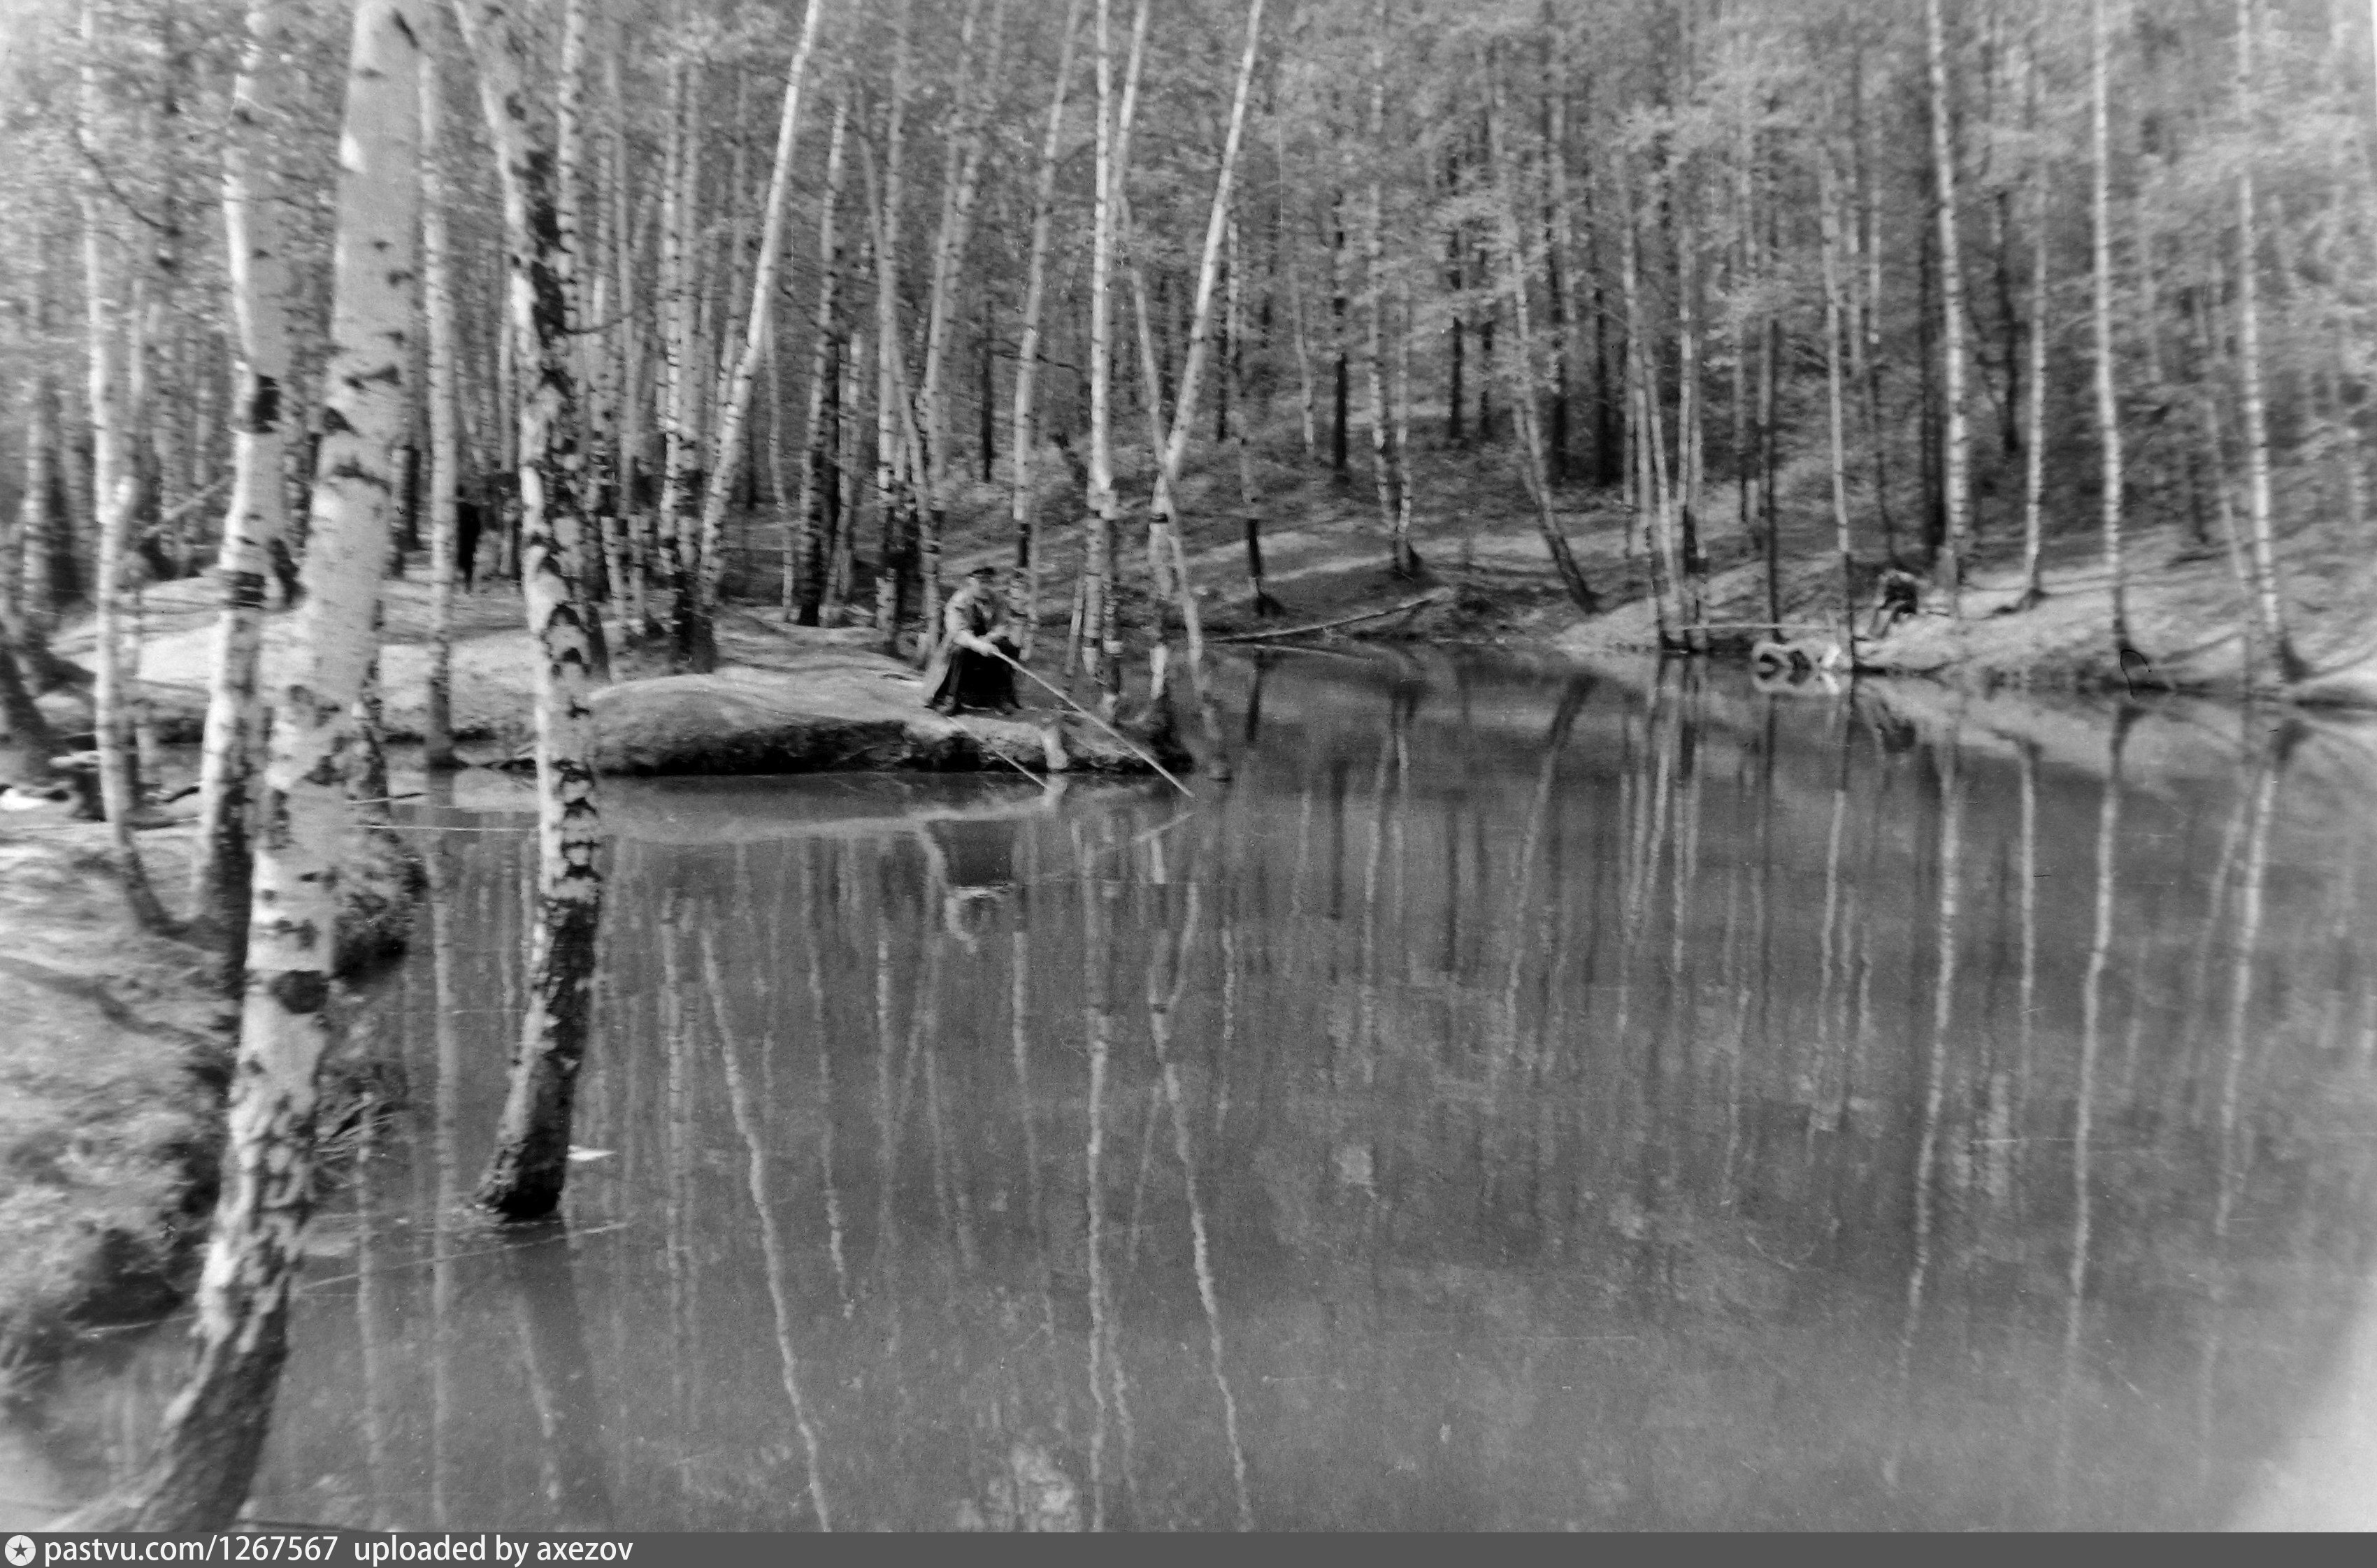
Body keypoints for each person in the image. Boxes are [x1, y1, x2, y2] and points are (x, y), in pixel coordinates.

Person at [921, 565, 1021, 715]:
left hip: (986, 651)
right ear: (970, 581)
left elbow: (1003, 625)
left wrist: (989, 639)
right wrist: (978, 644)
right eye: (981, 581)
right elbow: (957, 632)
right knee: (959, 650)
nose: (985, 586)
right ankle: (950, 698)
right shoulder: (958, 601)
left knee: (1008, 647)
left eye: (989, 581)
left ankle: (1000, 697)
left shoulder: (997, 600)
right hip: (960, 655)